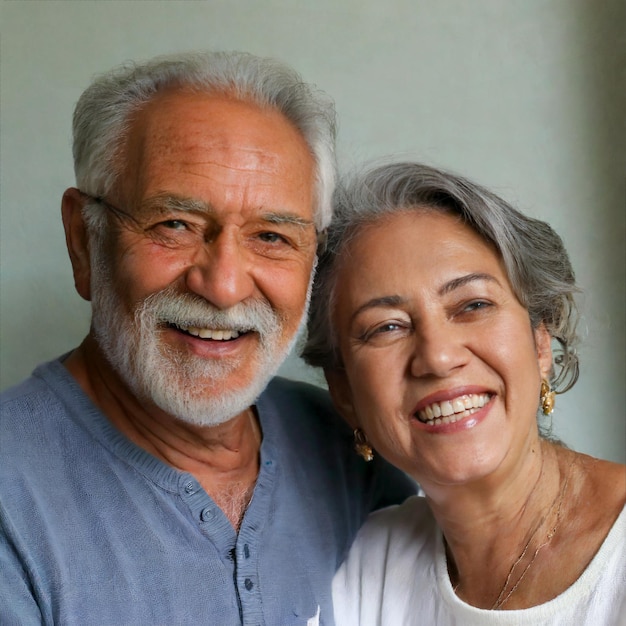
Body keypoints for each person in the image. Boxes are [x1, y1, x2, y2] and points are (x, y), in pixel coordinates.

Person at [0, 53, 415, 625]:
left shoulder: (354, 448)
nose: (222, 287)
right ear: (82, 241)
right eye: (175, 225)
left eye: (271, 235)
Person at [302, 162, 626, 625]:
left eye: (473, 305)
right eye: (386, 327)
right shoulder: (365, 568)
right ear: (345, 392)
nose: (436, 357)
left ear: (540, 342)